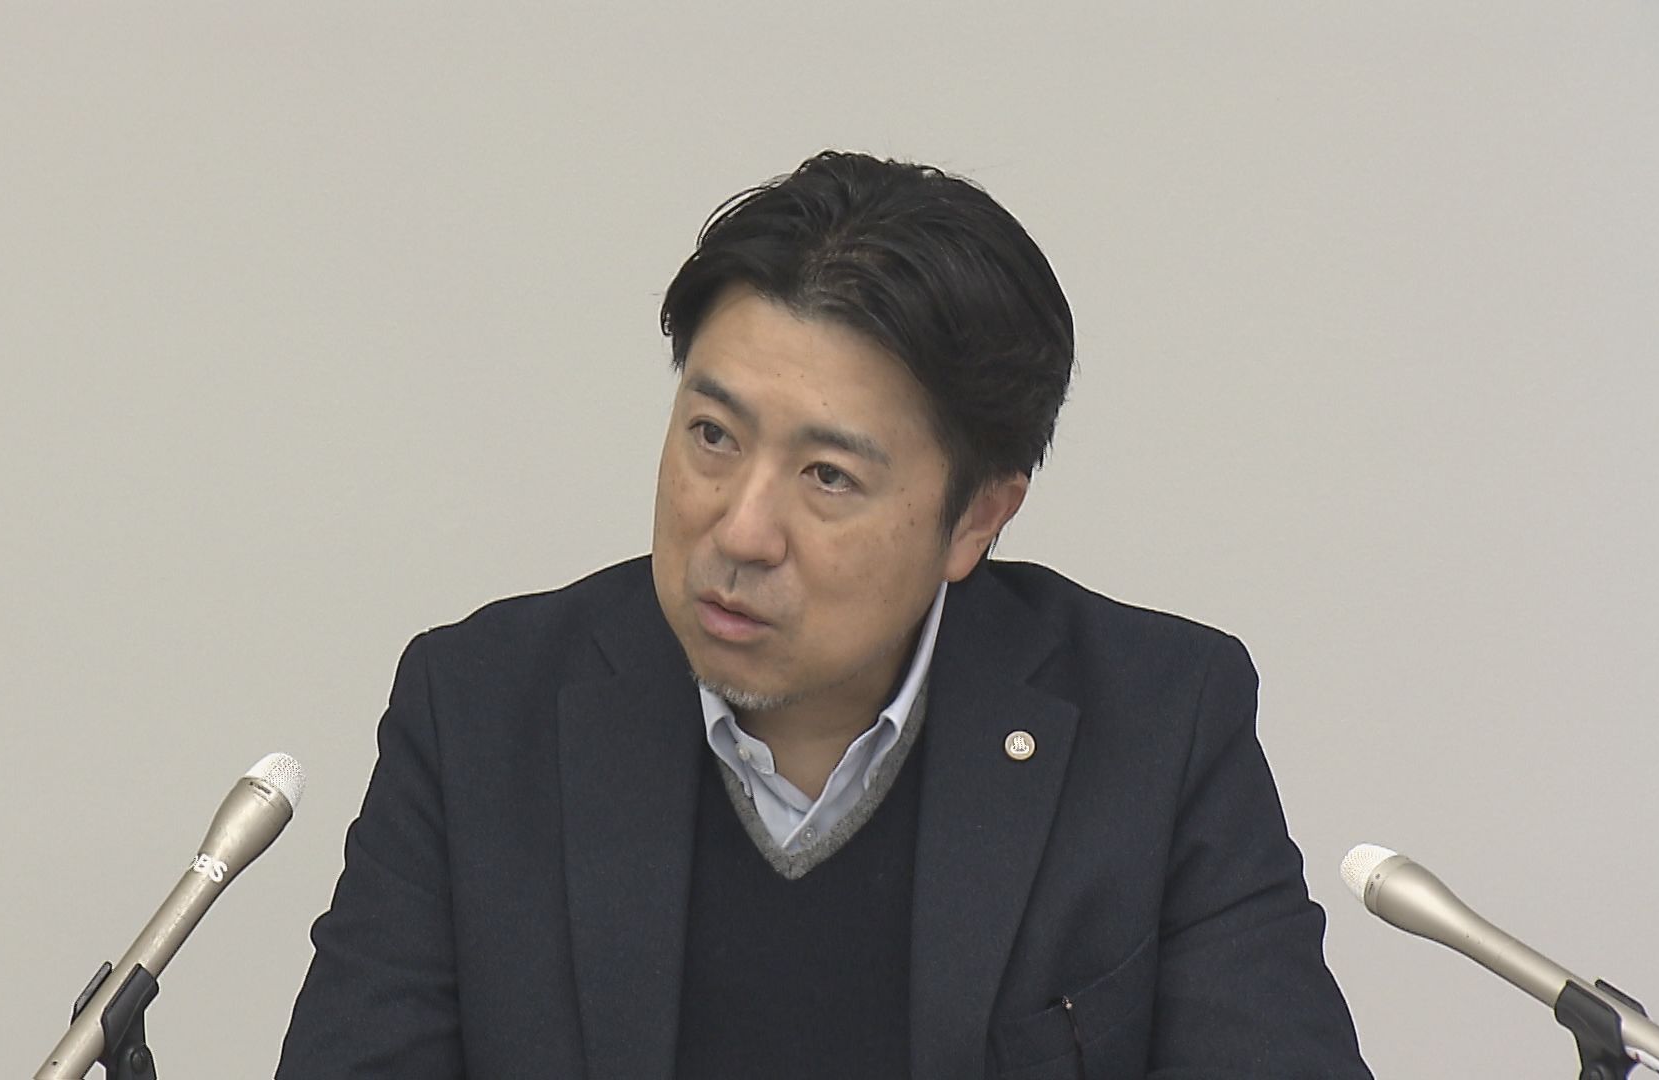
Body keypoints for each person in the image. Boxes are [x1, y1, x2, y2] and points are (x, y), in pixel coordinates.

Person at [276, 151, 1372, 1079]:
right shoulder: (479, 711)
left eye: (829, 477)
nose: (741, 530)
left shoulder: (1159, 724)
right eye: (713, 436)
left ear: (978, 519)